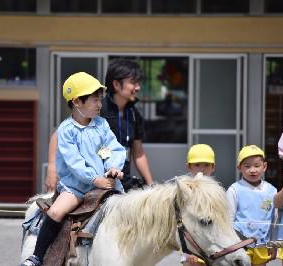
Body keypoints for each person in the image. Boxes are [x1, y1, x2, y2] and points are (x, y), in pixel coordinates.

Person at [21, 72, 126, 266]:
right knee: (55, 213)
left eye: (100, 100)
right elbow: (74, 163)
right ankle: (37, 256)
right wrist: (95, 180)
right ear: (77, 102)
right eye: (95, 100)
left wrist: (113, 167)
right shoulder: (66, 130)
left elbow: (112, 149)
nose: (100, 105)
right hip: (77, 187)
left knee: (128, 209)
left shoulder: (101, 125)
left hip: (107, 183)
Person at [44, 58, 154, 193]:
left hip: (119, 179)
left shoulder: (134, 114)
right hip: (92, 182)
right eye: (133, 83)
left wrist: (151, 184)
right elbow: (58, 135)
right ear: (117, 85)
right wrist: (51, 168)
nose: (138, 88)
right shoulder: (96, 108)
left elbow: (138, 153)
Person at [226, 145, 277, 266]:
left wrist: (273, 244)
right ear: (239, 168)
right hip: (240, 245)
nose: (252, 170)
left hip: (262, 244)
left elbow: (274, 221)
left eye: (257, 165)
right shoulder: (234, 190)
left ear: (264, 167)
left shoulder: (272, 191)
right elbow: (228, 219)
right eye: (247, 166)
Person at [181, 143, 216, 265]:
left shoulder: (216, 190)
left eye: (206, 165)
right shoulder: (185, 188)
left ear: (213, 167)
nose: (202, 169)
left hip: (212, 243)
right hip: (190, 242)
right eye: (197, 165)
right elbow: (181, 223)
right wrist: (187, 253)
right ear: (188, 167)